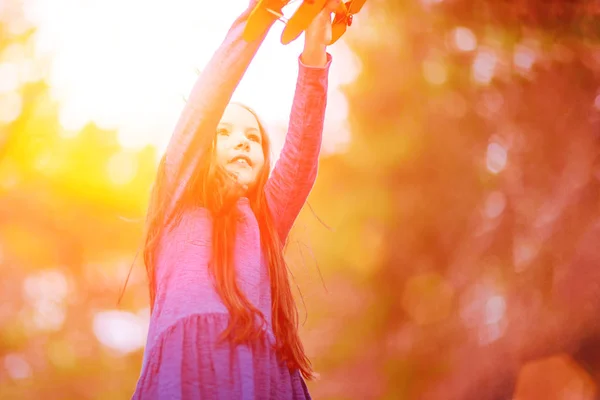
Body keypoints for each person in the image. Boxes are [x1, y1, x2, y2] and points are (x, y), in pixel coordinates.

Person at [132, 0, 337, 398]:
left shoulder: (267, 219)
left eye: (252, 136)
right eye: (224, 133)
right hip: (187, 367)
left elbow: (301, 155)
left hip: (259, 372)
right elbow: (206, 101)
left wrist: (315, 52)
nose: (241, 140)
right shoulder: (178, 199)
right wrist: (259, 16)